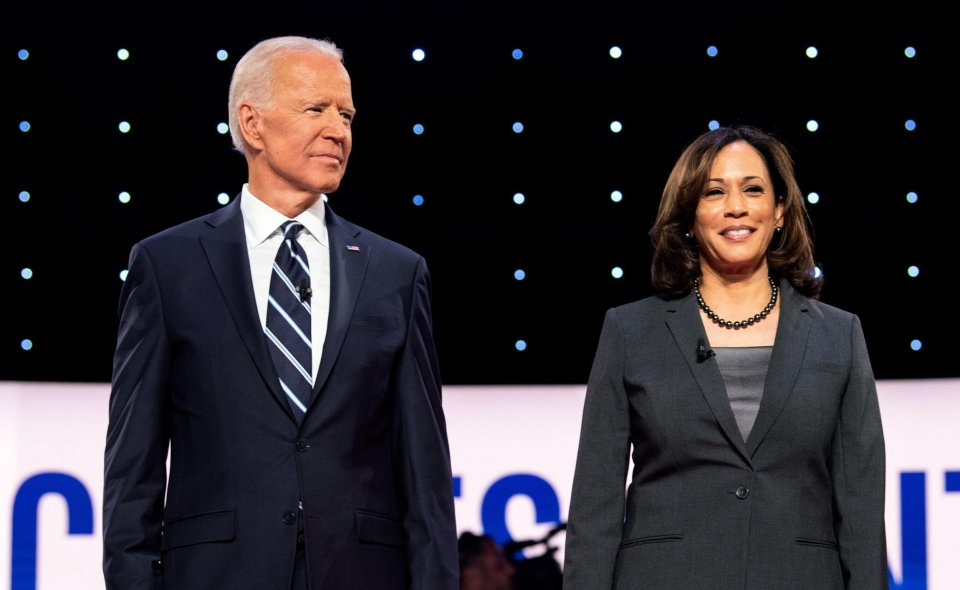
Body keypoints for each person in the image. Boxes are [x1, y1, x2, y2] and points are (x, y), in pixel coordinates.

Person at [102, 36, 458, 590]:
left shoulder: (396, 272)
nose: (338, 130)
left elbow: (425, 471)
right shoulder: (168, 265)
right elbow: (133, 465)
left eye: (346, 114)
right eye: (315, 109)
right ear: (252, 124)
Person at [563, 125, 887, 589]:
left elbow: (861, 510)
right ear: (690, 217)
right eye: (714, 192)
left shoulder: (838, 335)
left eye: (753, 189)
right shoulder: (630, 331)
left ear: (779, 211)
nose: (736, 206)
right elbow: (594, 507)